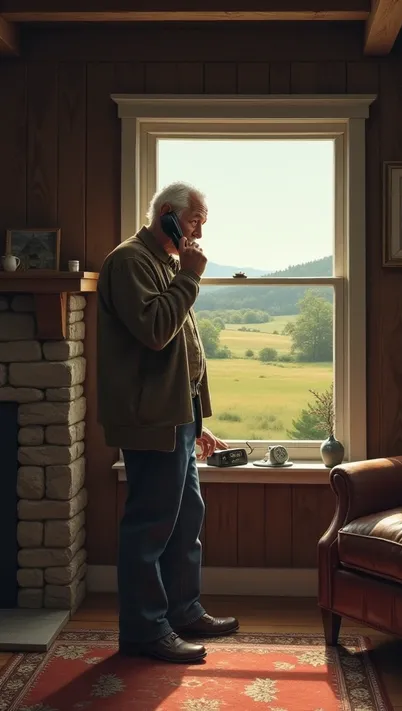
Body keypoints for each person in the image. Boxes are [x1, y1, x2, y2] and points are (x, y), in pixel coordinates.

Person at [96, 181, 239, 663]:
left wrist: (197, 419)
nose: (199, 231)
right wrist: (192, 277)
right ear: (167, 214)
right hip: (151, 418)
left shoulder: (167, 264)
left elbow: (185, 352)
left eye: (201, 221)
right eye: (195, 219)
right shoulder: (130, 261)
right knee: (150, 524)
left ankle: (182, 609)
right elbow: (157, 332)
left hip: (178, 415)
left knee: (185, 518)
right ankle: (145, 629)